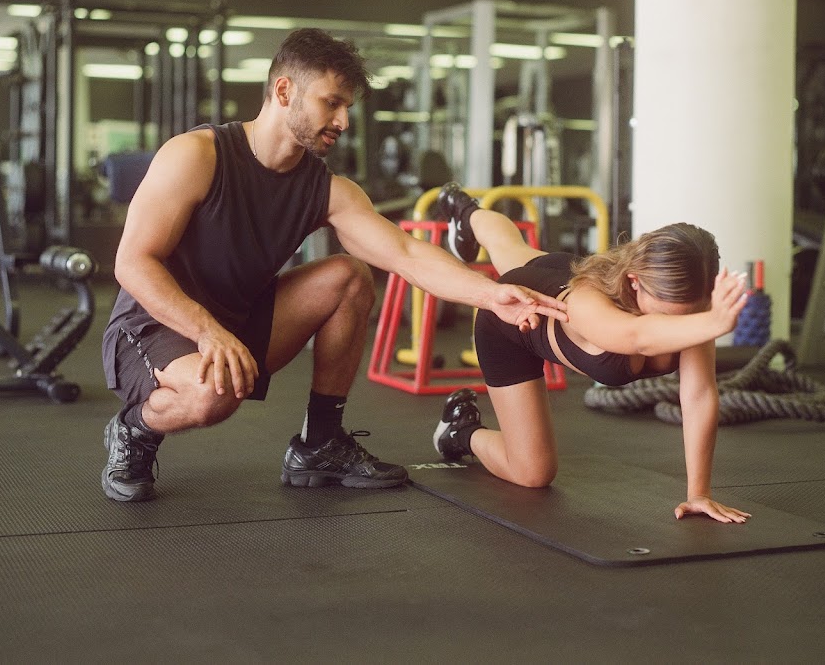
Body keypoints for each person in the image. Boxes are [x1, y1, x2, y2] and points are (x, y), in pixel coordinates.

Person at [100, 29, 568, 503]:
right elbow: (133, 262)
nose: (343, 121)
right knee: (212, 392)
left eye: (347, 107)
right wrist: (207, 332)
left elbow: (405, 254)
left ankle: (320, 444)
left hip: (237, 322)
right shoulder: (198, 155)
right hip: (152, 325)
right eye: (332, 103)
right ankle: (134, 430)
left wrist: (492, 294)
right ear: (285, 91)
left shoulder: (324, 189)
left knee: (348, 276)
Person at [432, 183, 752, 524]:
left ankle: (466, 213)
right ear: (634, 282)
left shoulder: (692, 308)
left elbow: (699, 394)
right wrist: (713, 322)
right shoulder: (589, 303)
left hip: (552, 276)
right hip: (509, 329)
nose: (681, 326)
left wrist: (699, 493)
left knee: (509, 246)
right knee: (533, 472)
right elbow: (637, 337)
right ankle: (460, 430)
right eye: (667, 315)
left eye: (693, 315)